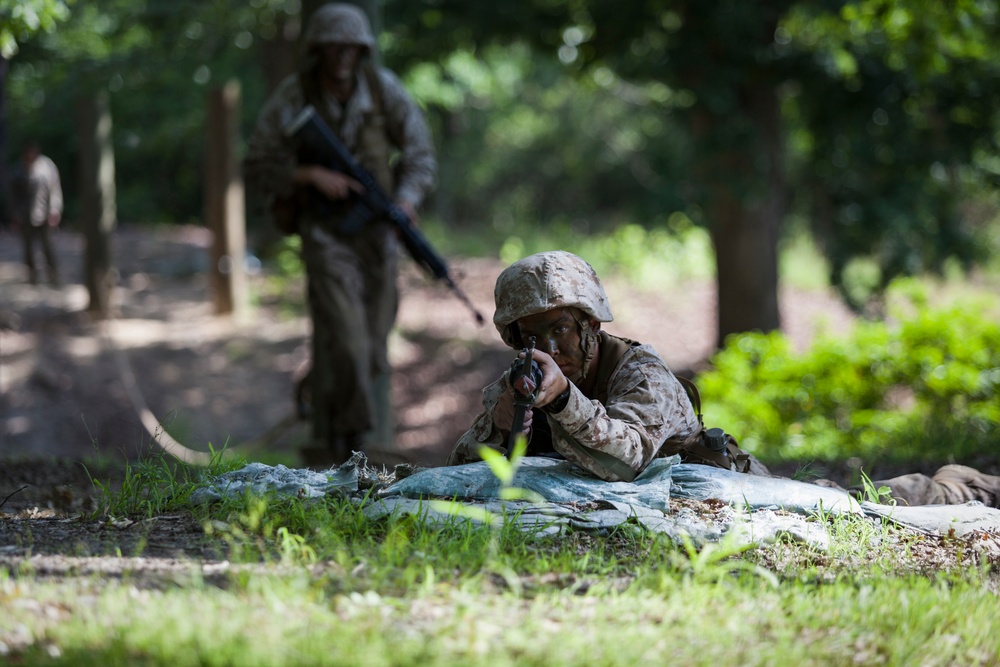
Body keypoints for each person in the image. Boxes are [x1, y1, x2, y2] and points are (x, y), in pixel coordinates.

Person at [448, 250, 1000, 508]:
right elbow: (456, 477)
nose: (546, 348)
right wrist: (497, 432)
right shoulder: (524, 381)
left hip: (738, 491)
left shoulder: (640, 373)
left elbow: (623, 459)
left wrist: (563, 399)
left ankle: (956, 485)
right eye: (528, 337)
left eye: (560, 329)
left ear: (591, 325)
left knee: (854, 508)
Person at [244, 3, 436, 466]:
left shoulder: (381, 90)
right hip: (326, 234)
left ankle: (320, 399)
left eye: (351, 47)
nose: (343, 56)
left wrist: (406, 200)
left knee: (370, 348)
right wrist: (307, 175)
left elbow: (419, 151)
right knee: (348, 341)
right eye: (334, 47)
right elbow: (257, 161)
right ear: (319, 50)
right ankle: (354, 443)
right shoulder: (298, 94)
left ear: (362, 50)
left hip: (377, 235)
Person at [9, 140, 63, 286]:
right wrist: (15, 215)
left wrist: (55, 209)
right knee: (28, 248)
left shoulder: (47, 167)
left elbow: (55, 189)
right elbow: (14, 196)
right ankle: (32, 276)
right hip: (25, 216)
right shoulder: (18, 170)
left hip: (45, 215)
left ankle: (54, 276)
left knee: (48, 247)